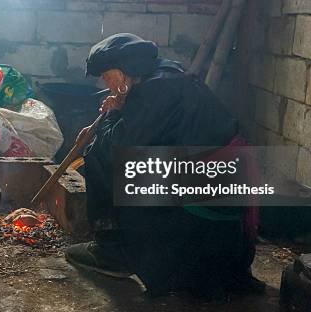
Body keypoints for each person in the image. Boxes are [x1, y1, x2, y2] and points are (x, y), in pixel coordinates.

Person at [64, 33, 264, 299]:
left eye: (106, 76)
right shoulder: (166, 74)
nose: (105, 84)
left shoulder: (156, 91)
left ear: (123, 73)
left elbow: (119, 148)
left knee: (100, 153)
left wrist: (114, 113)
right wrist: (122, 109)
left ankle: (112, 250)